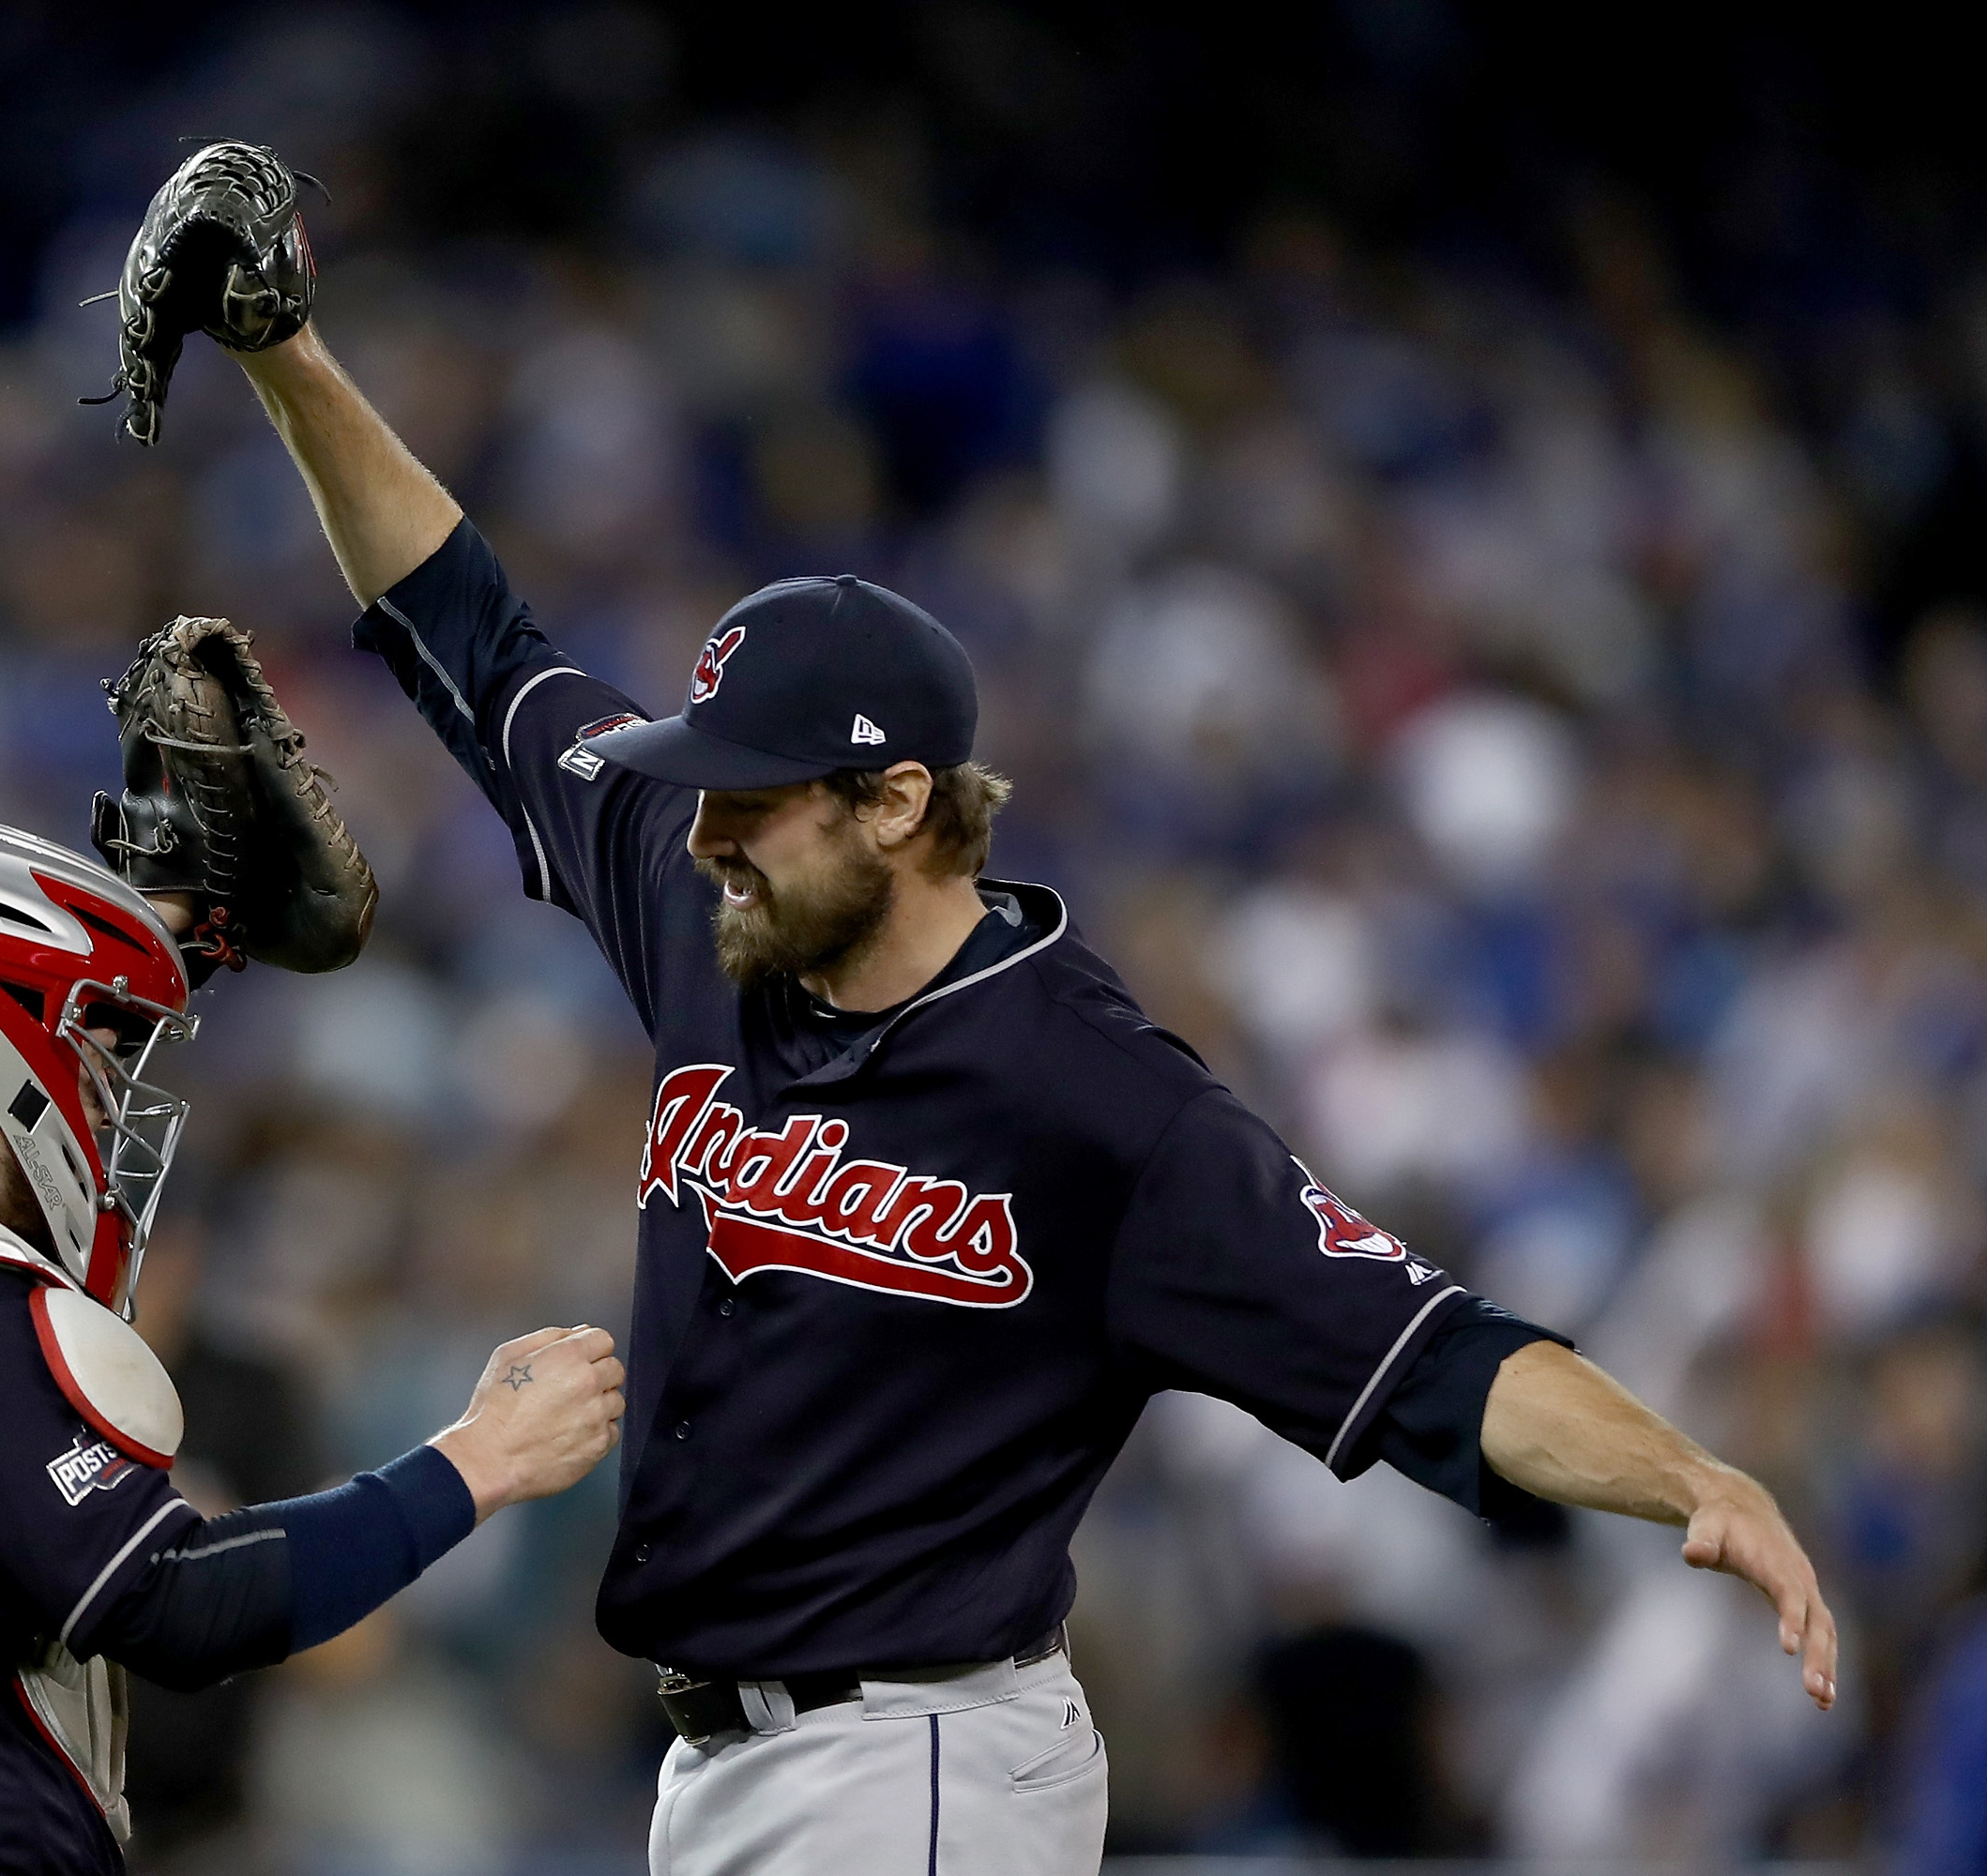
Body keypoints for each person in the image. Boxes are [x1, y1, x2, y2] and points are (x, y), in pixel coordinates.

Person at [102, 142, 1841, 1876]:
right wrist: (285, 354)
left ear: (898, 804)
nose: (701, 828)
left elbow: (1429, 1357)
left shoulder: (1096, 1098)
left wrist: (1692, 1478)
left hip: (921, 1762)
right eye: (699, 789)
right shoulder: (714, 896)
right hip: (730, 1766)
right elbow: (471, 629)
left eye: (754, 796)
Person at [0, 805, 624, 1874]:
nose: (103, 1083)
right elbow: (179, 1604)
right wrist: (479, 1457)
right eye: (92, 1041)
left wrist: (163, 935)